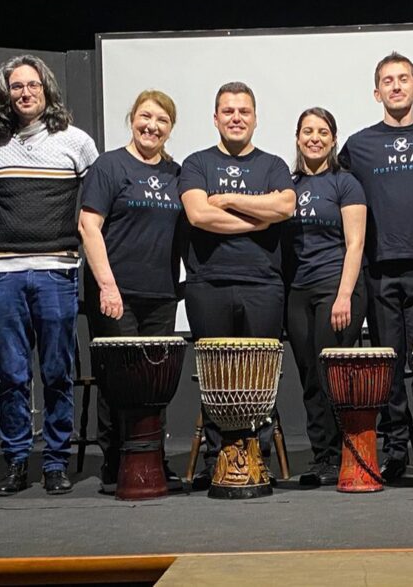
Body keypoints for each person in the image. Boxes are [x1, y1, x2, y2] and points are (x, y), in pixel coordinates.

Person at [0, 55, 99, 496]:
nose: (25, 93)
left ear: (47, 90)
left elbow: (97, 205)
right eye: (16, 87)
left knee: (56, 372)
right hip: (5, 273)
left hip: (57, 270)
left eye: (32, 85)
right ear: (6, 95)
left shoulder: (77, 142)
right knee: (13, 374)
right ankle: (16, 461)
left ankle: (54, 462)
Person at [339, 52, 413, 482]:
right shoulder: (358, 145)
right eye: (388, 81)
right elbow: (343, 198)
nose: (397, 86)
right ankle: (395, 451)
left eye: (404, 79)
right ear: (377, 93)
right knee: (388, 366)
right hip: (378, 267)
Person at [178, 82, 295, 489]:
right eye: (228, 111)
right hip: (208, 284)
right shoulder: (196, 163)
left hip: (263, 285)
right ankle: (219, 460)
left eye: (244, 111)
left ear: (255, 118)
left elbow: (285, 205)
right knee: (218, 377)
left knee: (260, 376)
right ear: (215, 118)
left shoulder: (273, 164)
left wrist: (227, 199)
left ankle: (257, 458)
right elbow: (198, 214)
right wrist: (258, 219)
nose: (236, 118)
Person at [78, 89, 184, 493]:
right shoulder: (110, 166)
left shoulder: (176, 173)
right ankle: (116, 462)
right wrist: (108, 286)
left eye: (161, 120)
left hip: (160, 295)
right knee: (119, 380)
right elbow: (88, 226)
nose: (151, 126)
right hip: (115, 293)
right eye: (145, 117)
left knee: (154, 381)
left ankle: (152, 458)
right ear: (132, 119)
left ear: (170, 129)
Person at [283, 107, 367, 486]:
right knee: (309, 376)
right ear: (298, 138)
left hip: (337, 288)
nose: (314, 138)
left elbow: (355, 243)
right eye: (307, 131)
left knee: (330, 374)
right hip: (298, 292)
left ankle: (343, 453)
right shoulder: (288, 185)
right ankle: (323, 456)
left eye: (322, 132)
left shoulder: (345, 183)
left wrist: (344, 295)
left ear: (333, 140)